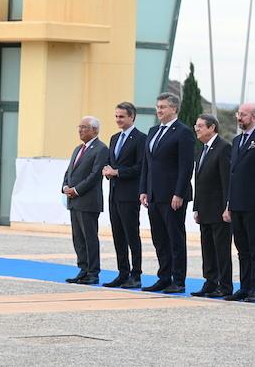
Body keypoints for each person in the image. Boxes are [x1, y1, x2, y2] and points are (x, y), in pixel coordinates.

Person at [139, 93, 195, 294]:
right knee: (160, 239)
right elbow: (147, 163)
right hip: (154, 194)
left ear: (174, 109)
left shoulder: (183, 132)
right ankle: (164, 276)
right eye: (158, 106)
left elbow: (186, 166)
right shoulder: (153, 131)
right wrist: (144, 189)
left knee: (175, 238)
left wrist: (179, 193)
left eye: (163, 107)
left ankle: (178, 280)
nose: (159, 110)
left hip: (173, 196)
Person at [223, 103, 255, 303]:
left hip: (254, 204)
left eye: (243, 115)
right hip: (236, 203)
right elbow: (232, 174)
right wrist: (228, 203)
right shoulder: (237, 141)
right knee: (241, 246)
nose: (239, 118)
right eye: (238, 114)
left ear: (253, 116)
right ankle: (244, 286)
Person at [101, 102, 146, 289]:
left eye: (122, 116)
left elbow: (140, 167)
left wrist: (117, 172)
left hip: (129, 194)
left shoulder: (140, 138)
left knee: (131, 235)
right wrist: (106, 169)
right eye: (116, 116)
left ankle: (136, 275)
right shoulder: (113, 138)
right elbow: (111, 162)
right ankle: (123, 273)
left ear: (132, 117)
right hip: (114, 194)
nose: (118, 120)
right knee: (118, 235)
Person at [62, 116, 109, 285]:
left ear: (95, 130)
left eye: (85, 127)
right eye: (79, 126)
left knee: (89, 237)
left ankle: (93, 272)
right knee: (78, 238)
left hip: (88, 201)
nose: (80, 130)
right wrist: (65, 186)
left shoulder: (101, 149)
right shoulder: (78, 149)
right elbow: (69, 171)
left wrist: (76, 190)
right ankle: (83, 269)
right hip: (74, 201)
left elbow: (95, 175)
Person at [191, 114, 233, 298]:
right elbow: (199, 181)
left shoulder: (223, 148)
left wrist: (227, 206)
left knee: (221, 249)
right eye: (196, 125)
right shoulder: (202, 149)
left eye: (200, 126)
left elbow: (226, 181)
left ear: (212, 128)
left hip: (219, 209)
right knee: (207, 248)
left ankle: (224, 285)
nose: (197, 129)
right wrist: (196, 207)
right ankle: (210, 282)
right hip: (205, 208)